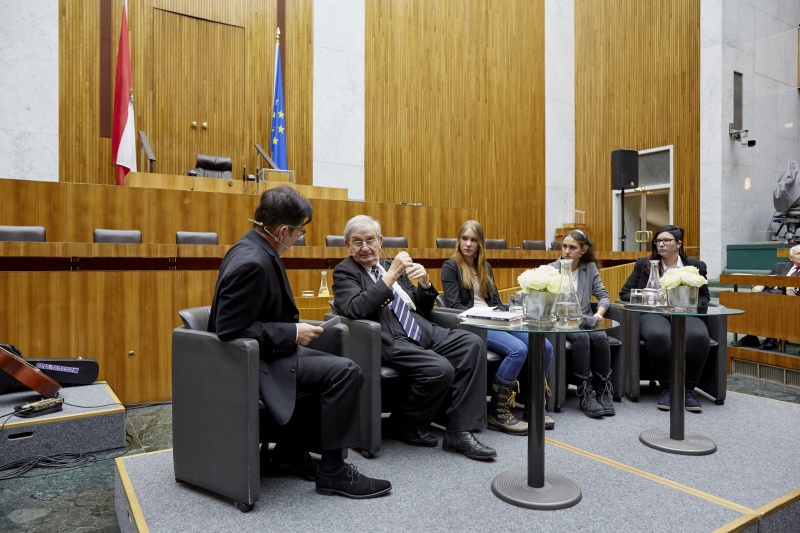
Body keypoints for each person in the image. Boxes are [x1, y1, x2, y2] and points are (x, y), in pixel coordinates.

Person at [208, 187, 391, 499]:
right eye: (299, 231)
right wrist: (291, 333)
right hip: (255, 362)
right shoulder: (254, 261)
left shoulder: (252, 246)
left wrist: (293, 331)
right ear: (282, 230)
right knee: (346, 372)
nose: (298, 238)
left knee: (327, 357)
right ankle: (333, 471)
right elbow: (228, 329)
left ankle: (289, 452)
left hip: (265, 353)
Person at [332, 215, 496, 461]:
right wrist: (391, 276)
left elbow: (421, 307)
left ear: (380, 240)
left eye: (370, 240)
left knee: (472, 343)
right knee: (440, 369)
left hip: (421, 327)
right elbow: (356, 308)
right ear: (347, 245)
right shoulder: (345, 272)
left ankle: (458, 431)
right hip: (387, 336)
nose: (365, 247)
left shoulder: (389, 264)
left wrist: (425, 284)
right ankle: (403, 422)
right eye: (357, 242)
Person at [440, 220, 555, 433]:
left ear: (480, 244)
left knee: (544, 346)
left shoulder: (486, 267)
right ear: (458, 240)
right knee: (517, 349)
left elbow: (495, 302)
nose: (468, 244)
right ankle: (498, 411)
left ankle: (533, 404)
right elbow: (455, 306)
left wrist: (511, 314)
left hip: (494, 319)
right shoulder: (451, 266)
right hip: (473, 323)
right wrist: (489, 315)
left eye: (473, 240)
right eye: (464, 239)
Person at [619, 224, 711, 412]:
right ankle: (668, 388)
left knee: (699, 336)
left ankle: (688, 390)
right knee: (659, 335)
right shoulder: (643, 265)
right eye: (658, 241)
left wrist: (692, 304)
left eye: (666, 241)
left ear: (678, 244)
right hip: (653, 313)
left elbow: (704, 297)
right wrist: (648, 297)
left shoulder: (695, 266)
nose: (660, 245)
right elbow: (624, 293)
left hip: (684, 312)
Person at [548, 230, 614, 418]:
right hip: (561, 322)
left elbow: (603, 296)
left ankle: (602, 390)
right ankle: (585, 391)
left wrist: (599, 314)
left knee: (601, 336)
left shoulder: (589, 268)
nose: (567, 251)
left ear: (583, 250)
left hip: (585, 319)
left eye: (572, 247)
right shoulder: (552, 269)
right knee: (582, 338)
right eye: (564, 246)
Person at [732, 244, 800, 350]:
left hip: (791, 299)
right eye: (798, 254)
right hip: (770, 293)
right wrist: (758, 286)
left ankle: (772, 339)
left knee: (772, 303)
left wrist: (793, 287)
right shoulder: (780, 266)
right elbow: (767, 280)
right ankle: (751, 337)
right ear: (791, 258)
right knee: (749, 300)